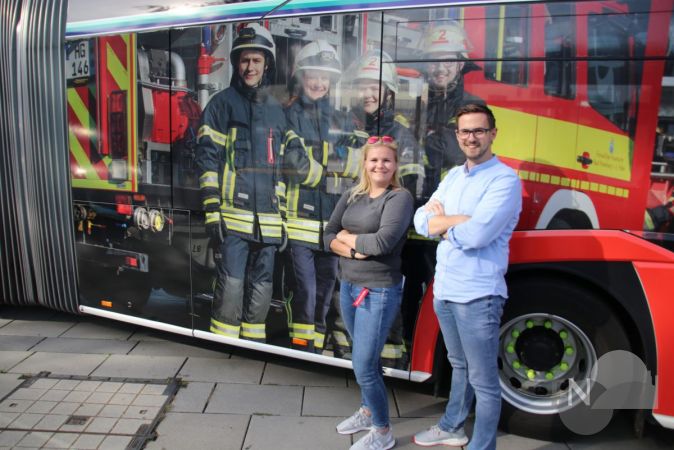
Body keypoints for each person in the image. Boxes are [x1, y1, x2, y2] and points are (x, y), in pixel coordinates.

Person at [412, 104, 521, 450]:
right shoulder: (454, 176)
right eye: (465, 131)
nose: (471, 137)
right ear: (457, 135)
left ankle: (482, 445)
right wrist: (458, 221)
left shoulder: (505, 180)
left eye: (478, 130)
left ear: (492, 133)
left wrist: (443, 225)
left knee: (484, 380)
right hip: (445, 290)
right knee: (458, 365)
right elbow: (420, 221)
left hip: (478, 295)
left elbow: (478, 236)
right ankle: (452, 427)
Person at [196, 24, 300, 341]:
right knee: (231, 284)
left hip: (268, 223)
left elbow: (281, 171)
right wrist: (212, 212)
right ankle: (225, 343)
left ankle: (253, 344)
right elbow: (208, 161)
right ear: (236, 63)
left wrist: (281, 218)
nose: (250, 67)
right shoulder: (221, 105)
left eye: (256, 60)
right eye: (244, 60)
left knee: (263, 287)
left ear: (266, 63)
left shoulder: (277, 113)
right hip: (232, 219)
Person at [325, 136, 413, 450]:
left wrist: (346, 240)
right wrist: (352, 249)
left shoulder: (399, 198)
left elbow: (382, 243)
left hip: (378, 291)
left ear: (395, 165)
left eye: (386, 160)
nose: (380, 165)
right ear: (365, 163)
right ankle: (367, 410)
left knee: (363, 365)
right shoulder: (352, 194)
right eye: (374, 160)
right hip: (348, 285)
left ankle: (382, 431)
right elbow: (328, 234)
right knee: (365, 360)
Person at [345, 50, 423, 368]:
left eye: (375, 87)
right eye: (363, 86)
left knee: (385, 319)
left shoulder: (402, 138)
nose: (368, 93)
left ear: (388, 92)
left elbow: (412, 192)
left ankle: (385, 367)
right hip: (351, 245)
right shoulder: (347, 131)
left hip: (385, 249)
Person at [282, 40, 352, 353]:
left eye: (325, 77)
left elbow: (357, 163)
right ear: (302, 76)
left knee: (325, 291)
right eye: (313, 75)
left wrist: (324, 166)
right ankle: (301, 347)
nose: (319, 83)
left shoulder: (342, 119)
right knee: (306, 292)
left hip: (332, 225)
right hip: (298, 222)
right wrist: (332, 170)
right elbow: (294, 165)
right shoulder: (287, 116)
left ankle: (317, 348)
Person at [420, 21, 484, 198]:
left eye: (448, 61)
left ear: (461, 65)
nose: (441, 69)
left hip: (457, 197)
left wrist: (422, 137)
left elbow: (454, 151)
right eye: (434, 62)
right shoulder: (420, 104)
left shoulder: (473, 106)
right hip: (421, 195)